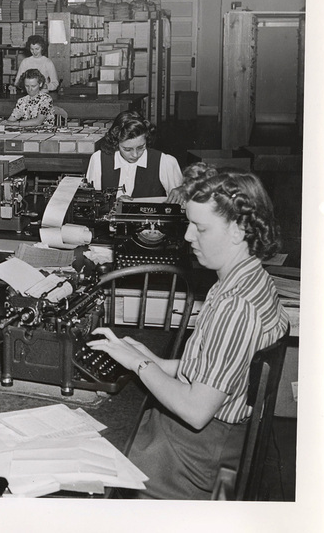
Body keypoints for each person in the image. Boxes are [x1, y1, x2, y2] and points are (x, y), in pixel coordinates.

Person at [87, 163, 289, 499]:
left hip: (198, 452)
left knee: (91, 462)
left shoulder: (236, 306)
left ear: (238, 230)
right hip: (203, 438)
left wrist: (140, 365)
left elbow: (197, 411)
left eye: (200, 228)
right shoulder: (246, 281)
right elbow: (217, 370)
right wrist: (142, 354)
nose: (187, 236)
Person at [85, 110, 184, 203]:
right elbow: (90, 201)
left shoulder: (164, 162)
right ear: (116, 143)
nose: (135, 155)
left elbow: (182, 203)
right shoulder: (98, 159)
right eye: (127, 149)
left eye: (141, 147)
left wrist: (183, 191)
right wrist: (114, 203)